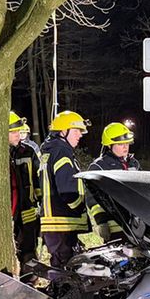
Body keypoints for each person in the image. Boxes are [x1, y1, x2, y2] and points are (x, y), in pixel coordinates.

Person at [39, 110, 90, 268]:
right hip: (63, 220)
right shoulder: (62, 152)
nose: (80, 135)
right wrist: (79, 208)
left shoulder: (49, 151)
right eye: (76, 131)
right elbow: (67, 189)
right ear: (63, 131)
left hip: (53, 220)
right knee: (64, 268)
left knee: (61, 264)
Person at [88, 122, 142, 239]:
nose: (125, 147)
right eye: (120, 143)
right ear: (109, 145)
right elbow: (92, 197)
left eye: (127, 143)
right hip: (114, 226)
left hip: (137, 226)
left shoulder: (134, 164)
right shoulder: (99, 167)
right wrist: (101, 222)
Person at [9, 112, 41, 272]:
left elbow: (38, 179)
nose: (18, 135)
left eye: (19, 131)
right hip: (8, 211)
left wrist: (40, 201)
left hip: (27, 208)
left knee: (28, 245)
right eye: (14, 132)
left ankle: (29, 279)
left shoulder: (28, 151)